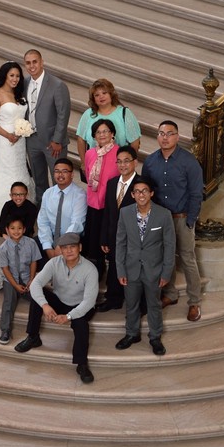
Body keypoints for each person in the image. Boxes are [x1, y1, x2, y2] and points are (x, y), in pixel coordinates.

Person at [141, 120, 204, 322]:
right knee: (164, 258)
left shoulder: (189, 161)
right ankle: (170, 294)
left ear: (177, 136)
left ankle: (194, 302)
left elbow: (196, 194)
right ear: (157, 136)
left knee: (187, 259)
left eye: (170, 133)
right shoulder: (150, 162)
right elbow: (145, 192)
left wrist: (191, 220)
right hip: (160, 218)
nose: (165, 137)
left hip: (182, 218)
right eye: (161, 133)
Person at [14, 233, 98, 384]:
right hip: (61, 300)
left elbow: (89, 302)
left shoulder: (90, 269)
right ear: (60, 250)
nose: (69, 251)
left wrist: (68, 316)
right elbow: (36, 284)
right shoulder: (54, 263)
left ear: (80, 248)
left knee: (81, 325)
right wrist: (45, 305)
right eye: (65, 248)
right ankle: (33, 337)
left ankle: (81, 364)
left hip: (80, 306)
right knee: (38, 297)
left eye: (72, 247)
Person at [115, 176, 175, 355]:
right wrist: (120, 269)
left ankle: (155, 337)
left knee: (154, 304)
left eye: (145, 191)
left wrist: (166, 272)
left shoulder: (164, 214)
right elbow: (120, 243)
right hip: (131, 268)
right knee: (131, 304)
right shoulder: (124, 213)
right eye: (137, 191)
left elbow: (170, 246)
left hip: (154, 270)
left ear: (151, 193)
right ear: (132, 195)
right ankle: (132, 334)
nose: (141, 194)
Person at [0, 61, 35, 230]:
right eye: (12, 75)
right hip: (5, 140)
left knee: (20, 168)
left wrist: (23, 130)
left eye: (18, 76)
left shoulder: (18, 93)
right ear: (4, 75)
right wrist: (8, 135)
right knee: (7, 169)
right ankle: (4, 209)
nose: (15, 79)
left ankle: (23, 202)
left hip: (20, 139)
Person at [23, 49, 71, 205]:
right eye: (28, 63)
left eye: (35, 61)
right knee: (39, 179)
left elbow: (63, 114)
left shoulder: (57, 85)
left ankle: (61, 209)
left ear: (42, 62)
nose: (32, 66)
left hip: (52, 142)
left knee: (60, 178)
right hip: (32, 139)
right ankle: (42, 209)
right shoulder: (24, 83)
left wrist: (57, 140)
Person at [97, 145, 139, 312]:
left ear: (135, 162)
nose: (122, 165)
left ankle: (133, 301)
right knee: (114, 266)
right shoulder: (112, 182)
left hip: (134, 238)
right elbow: (107, 212)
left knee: (133, 269)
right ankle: (113, 299)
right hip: (114, 236)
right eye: (119, 162)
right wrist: (104, 237)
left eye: (126, 161)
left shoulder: (141, 184)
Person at [75, 78, 141, 170]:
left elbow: (135, 141)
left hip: (119, 166)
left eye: (104, 93)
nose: (101, 97)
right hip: (94, 165)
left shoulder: (125, 113)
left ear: (111, 94)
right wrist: (83, 163)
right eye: (97, 95)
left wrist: (128, 162)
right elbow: (81, 140)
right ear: (93, 99)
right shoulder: (88, 114)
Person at [82, 118, 120, 273]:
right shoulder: (90, 153)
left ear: (112, 134)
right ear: (94, 136)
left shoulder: (119, 152)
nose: (102, 134)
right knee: (93, 240)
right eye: (98, 132)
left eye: (105, 131)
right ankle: (95, 271)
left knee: (108, 241)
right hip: (93, 203)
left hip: (110, 205)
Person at [0, 216, 41, 345]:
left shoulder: (31, 243)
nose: (16, 231)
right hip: (11, 280)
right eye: (12, 228)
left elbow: (34, 262)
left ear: (24, 229)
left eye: (19, 228)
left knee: (39, 297)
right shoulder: (3, 248)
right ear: (7, 230)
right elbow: (5, 269)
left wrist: (32, 280)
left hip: (28, 278)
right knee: (8, 302)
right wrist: (15, 285)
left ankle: (33, 332)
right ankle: (5, 330)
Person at [37, 158, 87, 259]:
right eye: (57, 171)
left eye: (64, 171)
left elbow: (76, 223)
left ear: (72, 174)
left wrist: (62, 245)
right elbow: (43, 221)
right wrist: (47, 247)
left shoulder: (80, 195)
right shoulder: (48, 193)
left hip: (71, 242)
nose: (60, 175)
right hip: (50, 241)